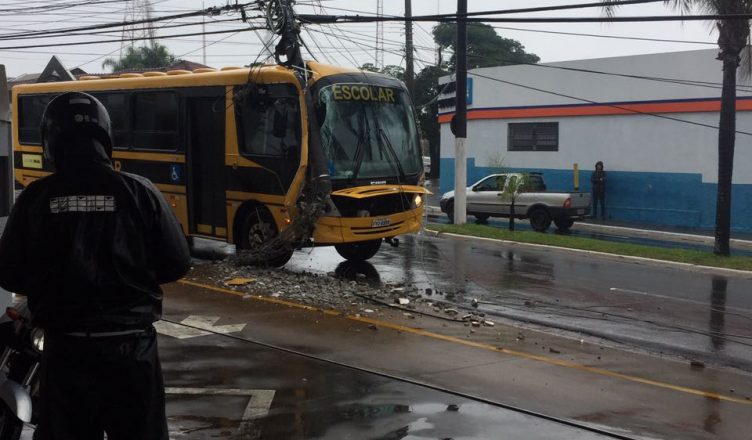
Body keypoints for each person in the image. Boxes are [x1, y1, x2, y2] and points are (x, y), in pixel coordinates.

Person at [0, 92, 191, 439]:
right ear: (106, 136)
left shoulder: (36, 198)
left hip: (66, 352)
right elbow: (177, 263)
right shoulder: (141, 191)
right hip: (134, 353)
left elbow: (9, 272)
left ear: (50, 142)